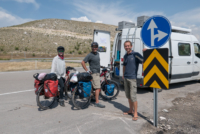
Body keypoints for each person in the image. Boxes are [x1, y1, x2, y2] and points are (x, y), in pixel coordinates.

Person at [122, 41, 144, 121]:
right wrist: (123, 75)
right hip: (126, 78)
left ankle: (135, 113)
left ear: (131, 46)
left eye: (128, 46)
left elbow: (144, 61)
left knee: (133, 97)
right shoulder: (125, 56)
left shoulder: (135, 54)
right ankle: (130, 110)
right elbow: (124, 65)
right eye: (125, 46)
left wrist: (146, 52)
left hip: (132, 78)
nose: (127, 47)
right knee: (128, 96)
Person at [81, 42, 105, 108]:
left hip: (97, 72)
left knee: (94, 87)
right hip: (94, 73)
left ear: (97, 47)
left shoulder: (98, 54)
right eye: (93, 47)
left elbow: (96, 63)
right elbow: (82, 62)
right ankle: (97, 102)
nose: (94, 48)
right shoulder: (90, 55)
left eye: (96, 47)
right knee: (97, 88)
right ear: (91, 48)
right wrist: (87, 70)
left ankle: (93, 98)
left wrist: (101, 67)